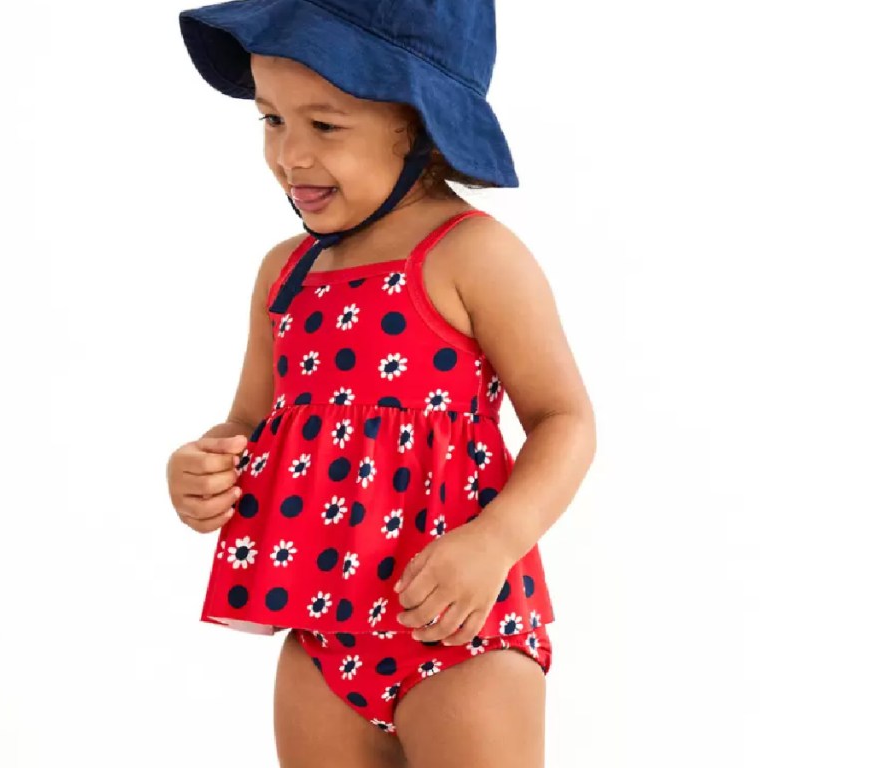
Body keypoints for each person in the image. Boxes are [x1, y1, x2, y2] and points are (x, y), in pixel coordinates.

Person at [165, 1, 596, 765]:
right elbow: (249, 423)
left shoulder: (472, 254)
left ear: (417, 123)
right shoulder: (286, 274)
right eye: (270, 120)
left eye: (324, 126)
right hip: (320, 625)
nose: (289, 155)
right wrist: (204, 467)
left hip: (461, 626)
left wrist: (496, 541)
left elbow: (565, 419)